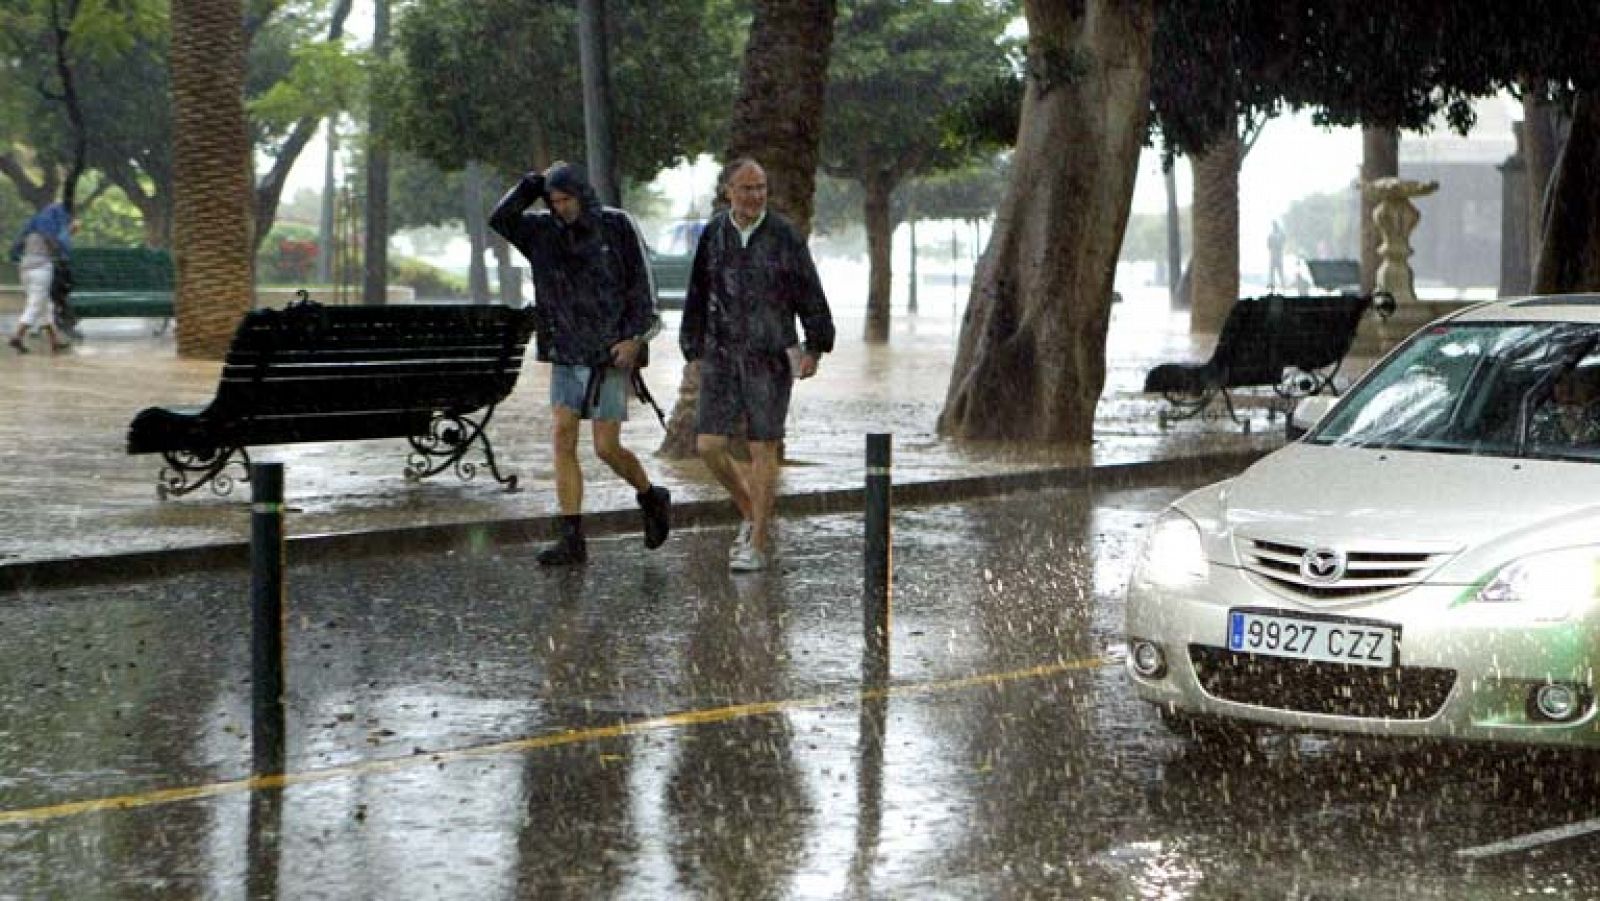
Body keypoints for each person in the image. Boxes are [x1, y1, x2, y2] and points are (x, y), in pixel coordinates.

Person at [489, 162, 672, 565]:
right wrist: (534, 183)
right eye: (553, 201)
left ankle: (649, 494)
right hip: (566, 350)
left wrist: (634, 338)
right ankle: (572, 536)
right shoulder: (541, 231)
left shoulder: (617, 226)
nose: (560, 207)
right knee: (562, 436)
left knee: (606, 447)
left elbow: (643, 288)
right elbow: (500, 218)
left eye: (566, 198)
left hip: (608, 354)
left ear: (582, 195)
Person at [680, 158, 835, 572]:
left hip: (771, 353)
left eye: (761, 188)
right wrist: (692, 346)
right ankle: (751, 512)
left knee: (763, 445)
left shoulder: (784, 235)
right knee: (708, 445)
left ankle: (759, 541)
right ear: (728, 191)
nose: (755, 196)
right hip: (720, 353)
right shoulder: (713, 233)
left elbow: (809, 290)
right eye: (746, 188)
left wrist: (815, 346)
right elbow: (698, 292)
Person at [7, 202, 74, 354]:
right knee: (35, 305)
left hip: (25, 268)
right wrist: (69, 232)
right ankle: (17, 336)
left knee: (45, 305)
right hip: (41, 268)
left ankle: (54, 341)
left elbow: (15, 250)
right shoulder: (50, 232)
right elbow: (60, 247)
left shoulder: (29, 230)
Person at [1532, 365, 1600, 447]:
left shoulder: (1594, 418)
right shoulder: (1542, 417)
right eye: (1558, 382)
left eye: (1573, 383)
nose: (1564, 388)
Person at [1266, 221, 1286, 291]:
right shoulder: (1273, 235)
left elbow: (1268, 245)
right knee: (1274, 272)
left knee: (1278, 272)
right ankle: (1276, 285)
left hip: (1276, 255)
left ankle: (1282, 285)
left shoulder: (1275, 235)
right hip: (1275, 255)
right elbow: (1268, 245)